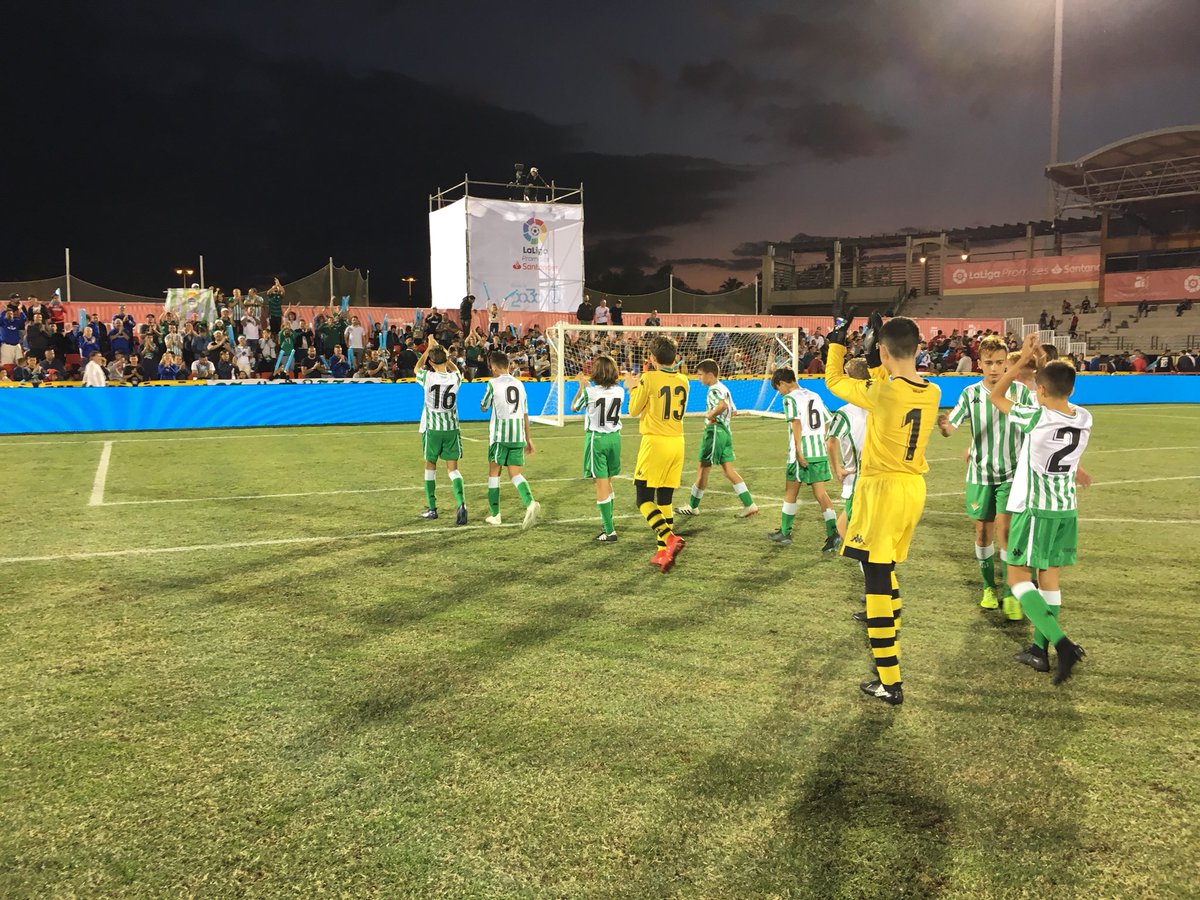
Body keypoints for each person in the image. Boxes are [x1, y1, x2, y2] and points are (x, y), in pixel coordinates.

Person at [825, 311, 941, 706]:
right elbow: (886, 379)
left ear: (884, 352)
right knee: (885, 566)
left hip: (882, 490)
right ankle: (893, 626)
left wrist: (837, 341)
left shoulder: (884, 392)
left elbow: (835, 380)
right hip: (912, 488)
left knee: (874, 578)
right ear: (918, 348)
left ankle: (890, 682)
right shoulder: (932, 391)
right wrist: (876, 353)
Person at [988, 335, 1090, 683]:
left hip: (1036, 510)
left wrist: (1022, 361)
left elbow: (996, 395)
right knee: (1049, 578)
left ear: (1041, 391)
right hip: (1066, 510)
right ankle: (1037, 650)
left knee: (1017, 577)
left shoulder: (1036, 418)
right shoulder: (1085, 418)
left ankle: (1061, 645)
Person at [937, 335, 1032, 618]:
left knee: (1005, 533)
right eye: (989, 363)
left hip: (1011, 475)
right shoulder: (970, 394)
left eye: (1000, 363)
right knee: (982, 533)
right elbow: (951, 426)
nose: (994, 369)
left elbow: (1034, 428)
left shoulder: (1021, 393)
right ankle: (988, 587)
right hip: (979, 474)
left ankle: (1010, 592)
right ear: (980, 364)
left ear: (1007, 364)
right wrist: (944, 427)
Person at [625, 335, 688, 572]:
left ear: (652, 358)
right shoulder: (684, 380)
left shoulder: (648, 378)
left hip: (655, 443)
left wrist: (632, 387)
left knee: (643, 499)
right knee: (665, 499)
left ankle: (669, 538)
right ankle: (663, 552)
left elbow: (633, 410)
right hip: (677, 443)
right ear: (675, 357)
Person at [767, 367, 839, 550]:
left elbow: (796, 422)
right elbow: (828, 421)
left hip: (802, 452)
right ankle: (834, 533)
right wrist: (820, 441)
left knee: (790, 491)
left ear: (782, 383)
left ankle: (785, 532)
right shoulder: (814, 394)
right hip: (818, 450)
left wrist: (799, 450)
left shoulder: (789, 398)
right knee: (821, 493)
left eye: (778, 388)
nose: (779, 392)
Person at [479, 351, 540, 529]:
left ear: (495, 367)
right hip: (518, 435)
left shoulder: (492, 383)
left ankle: (495, 514)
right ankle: (530, 503)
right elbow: (525, 414)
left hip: (500, 436)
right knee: (515, 474)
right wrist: (528, 439)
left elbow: (484, 406)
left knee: (494, 473)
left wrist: (485, 402)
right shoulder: (520, 384)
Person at [571, 355, 625, 542]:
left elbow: (574, 407)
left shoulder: (590, 392)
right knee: (608, 482)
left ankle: (609, 530)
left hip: (597, 440)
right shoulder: (620, 391)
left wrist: (581, 388)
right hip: (615, 439)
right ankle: (608, 523)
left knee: (600, 484)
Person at [416, 336, 468, 524]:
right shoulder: (455, 378)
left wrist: (428, 350)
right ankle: (461, 504)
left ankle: (432, 508)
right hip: (452, 428)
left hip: (433, 429)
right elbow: (457, 370)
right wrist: (446, 357)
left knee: (430, 466)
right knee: (453, 470)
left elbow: (416, 369)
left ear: (430, 362)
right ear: (446, 359)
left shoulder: (427, 376)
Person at [826, 357, 870, 541]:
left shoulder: (846, 412)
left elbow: (830, 441)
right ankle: (842, 543)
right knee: (852, 517)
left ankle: (851, 549)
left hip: (863, 476)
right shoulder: (882, 403)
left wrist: (837, 468)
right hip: (869, 474)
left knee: (860, 521)